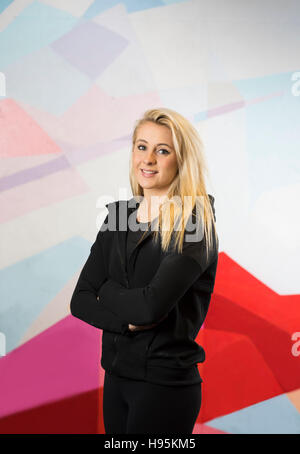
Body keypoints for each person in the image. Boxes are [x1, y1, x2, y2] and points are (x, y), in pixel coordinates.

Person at [70, 107, 219, 434]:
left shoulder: (194, 226)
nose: (148, 158)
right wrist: (126, 321)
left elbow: (150, 307)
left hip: (163, 386)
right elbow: (80, 300)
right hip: (116, 378)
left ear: (181, 160)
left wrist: (106, 290)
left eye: (162, 150)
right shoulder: (118, 217)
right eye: (141, 146)